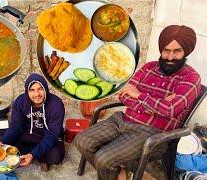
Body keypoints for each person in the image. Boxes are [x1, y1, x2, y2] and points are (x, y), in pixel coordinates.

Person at [75, 25, 202, 180]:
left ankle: (116, 169)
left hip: (152, 133)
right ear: (161, 49)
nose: (170, 57)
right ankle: (121, 173)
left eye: (177, 51)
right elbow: (124, 96)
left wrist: (139, 95)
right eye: (166, 50)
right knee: (82, 141)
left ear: (185, 52)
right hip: (122, 120)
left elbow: (169, 110)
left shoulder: (191, 78)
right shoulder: (149, 67)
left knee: (103, 159)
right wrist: (158, 103)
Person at [0, 73, 65, 171]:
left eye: (40, 89)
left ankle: (28, 155)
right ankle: (37, 155)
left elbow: (52, 134)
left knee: (57, 156)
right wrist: (2, 143)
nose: (37, 94)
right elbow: (16, 127)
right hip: (28, 134)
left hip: (47, 136)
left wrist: (33, 154)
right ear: (27, 92)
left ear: (45, 89)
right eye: (32, 90)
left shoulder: (56, 104)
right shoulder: (20, 102)